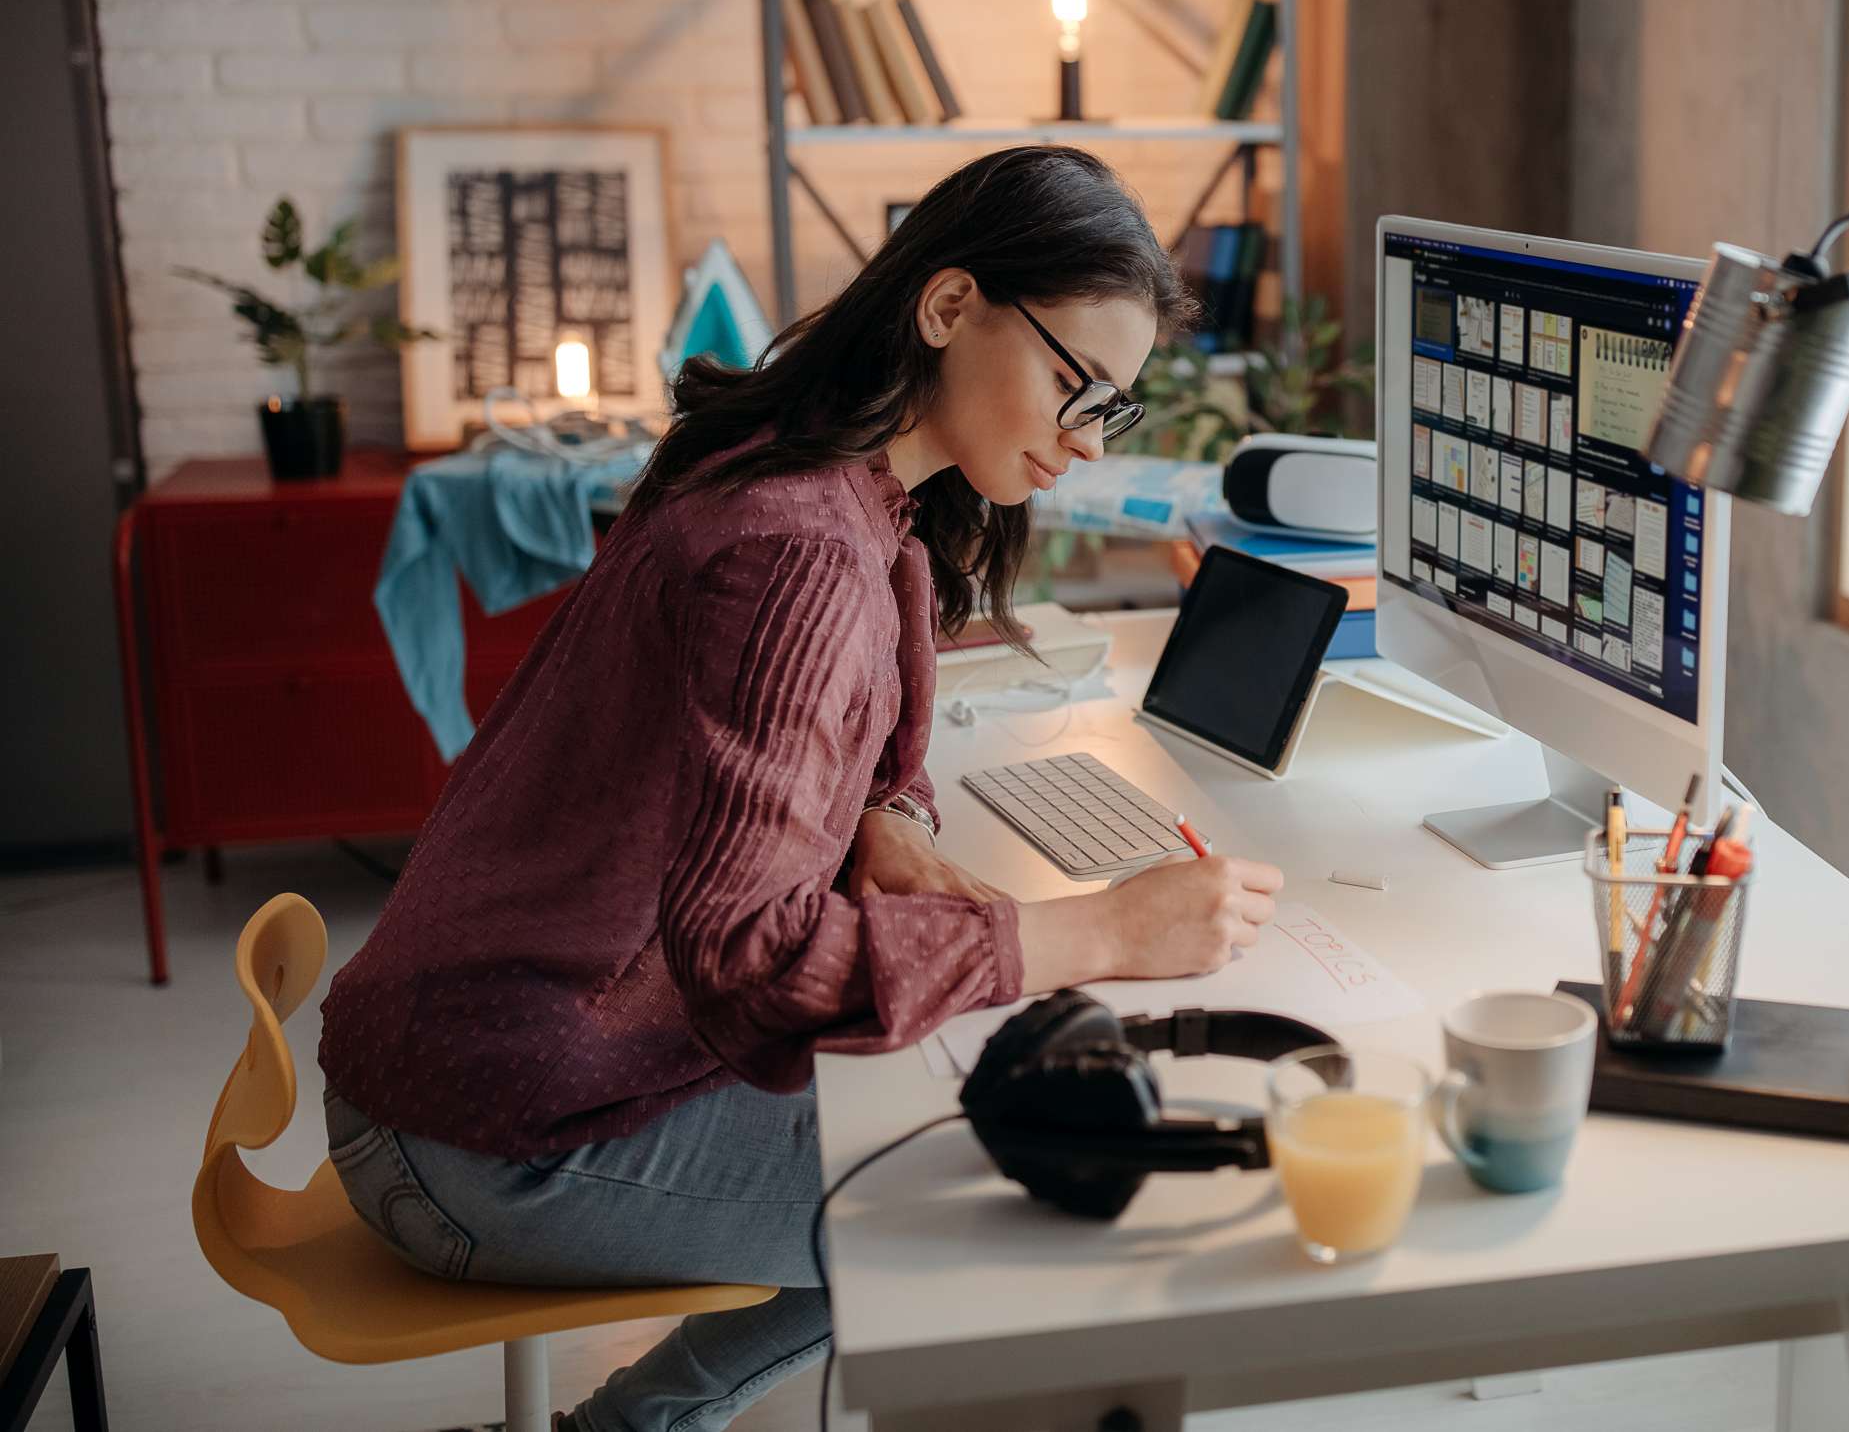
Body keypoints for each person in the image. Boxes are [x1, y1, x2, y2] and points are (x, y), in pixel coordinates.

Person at [317, 146, 1283, 1432]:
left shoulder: (795, 462)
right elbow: (747, 957)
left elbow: (764, 755)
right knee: (1007, 1179)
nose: (1080, 440)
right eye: (1073, 383)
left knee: (941, 1088)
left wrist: (878, 824)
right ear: (949, 308)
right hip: (483, 1141)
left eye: (1111, 407)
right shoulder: (802, 552)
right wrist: (1102, 931)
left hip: (445, 1060)